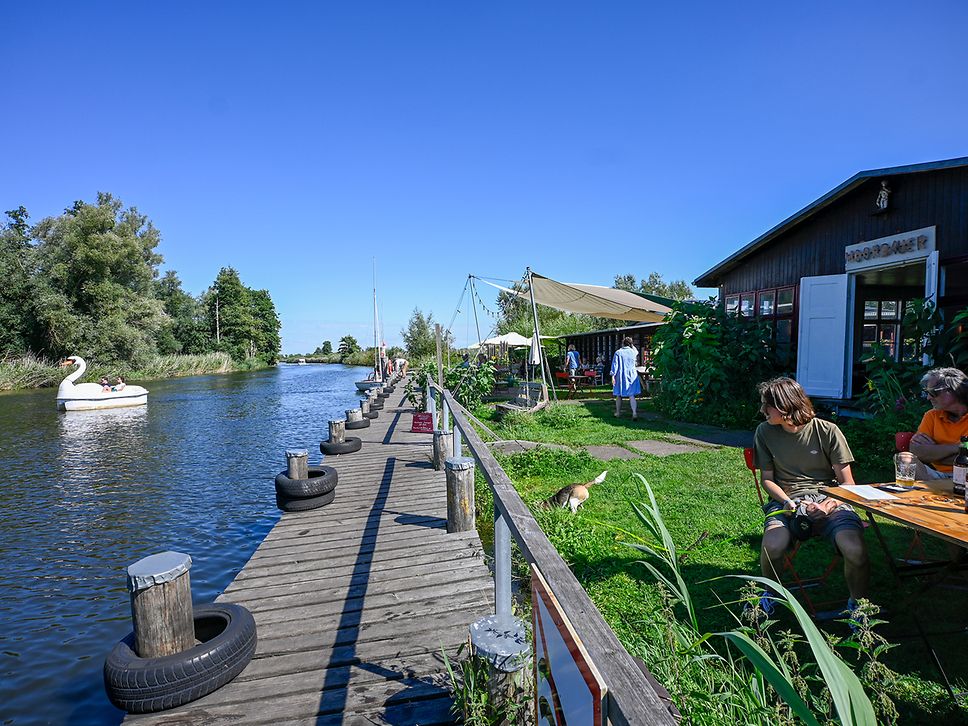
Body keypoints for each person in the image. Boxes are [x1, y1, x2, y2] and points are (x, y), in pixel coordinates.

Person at [752, 377, 869, 619]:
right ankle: (770, 595)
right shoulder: (764, 432)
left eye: (767, 405)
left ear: (786, 406)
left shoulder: (827, 431)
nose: (762, 410)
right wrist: (788, 502)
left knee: (855, 551)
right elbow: (767, 479)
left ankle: (857, 606)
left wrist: (827, 505)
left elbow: (848, 484)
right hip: (786, 500)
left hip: (831, 498)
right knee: (772, 546)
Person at [909, 367, 968, 481]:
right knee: (906, 459)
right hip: (937, 475)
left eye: (933, 392)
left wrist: (933, 452)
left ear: (953, 391)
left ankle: (933, 493)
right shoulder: (932, 415)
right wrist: (959, 448)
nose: (928, 397)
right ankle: (934, 492)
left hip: (966, 475)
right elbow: (916, 451)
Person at [611, 337, 641, 420]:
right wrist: (631, 344)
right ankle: (634, 413)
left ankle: (618, 412)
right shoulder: (633, 352)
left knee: (619, 395)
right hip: (632, 375)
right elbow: (635, 349)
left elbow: (615, 365)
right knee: (631, 395)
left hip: (621, 375)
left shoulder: (618, 352)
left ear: (622, 343)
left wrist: (613, 375)